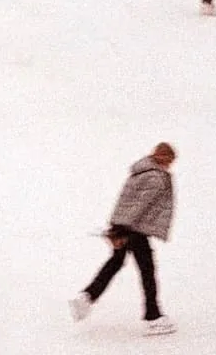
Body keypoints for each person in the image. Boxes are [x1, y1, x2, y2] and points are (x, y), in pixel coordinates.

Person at [69, 143, 177, 335]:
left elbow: (125, 201)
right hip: (134, 229)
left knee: (116, 262)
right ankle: (153, 316)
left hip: (125, 226)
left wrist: (116, 226)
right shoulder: (155, 176)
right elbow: (140, 206)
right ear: (161, 156)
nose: (170, 163)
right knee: (147, 270)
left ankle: (86, 298)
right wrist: (122, 229)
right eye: (169, 159)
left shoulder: (139, 171)